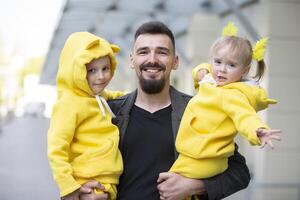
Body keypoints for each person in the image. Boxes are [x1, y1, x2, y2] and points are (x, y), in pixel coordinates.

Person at [79, 21, 251, 200]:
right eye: (143, 51)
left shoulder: (198, 110)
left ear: (175, 61)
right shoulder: (109, 111)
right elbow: (76, 159)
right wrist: (80, 192)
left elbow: (239, 172)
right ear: (132, 60)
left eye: (162, 52)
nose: (152, 59)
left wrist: (194, 186)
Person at [170, 22, 282, 185]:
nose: (222, 69)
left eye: (231, 65)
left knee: (166, 186)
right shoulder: (214, 83)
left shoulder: (233, 95)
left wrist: (258, 130)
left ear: (244, 70)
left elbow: (245, 116)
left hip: (205, 158)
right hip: (197, 153)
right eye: (218, 62)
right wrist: (201, 71)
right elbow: (202, 72)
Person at [47, 32, 126, 200]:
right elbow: (56, 148)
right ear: (74, 71)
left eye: (106, 68)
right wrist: (69, 188)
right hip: (87, 180)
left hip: (107, 180)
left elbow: (118, 96)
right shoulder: (68, 103)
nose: (101, 76)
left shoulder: (99, 96)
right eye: (91, 70)